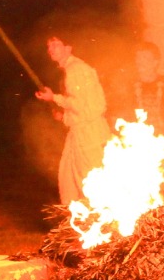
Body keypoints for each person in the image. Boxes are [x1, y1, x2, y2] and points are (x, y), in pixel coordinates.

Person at [36, 36, 111, 206]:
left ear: (68, 48)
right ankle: (76, 222)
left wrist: (53, 97)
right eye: (49, 46)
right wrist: (64, 116)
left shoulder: (75, 69)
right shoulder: (73, 69)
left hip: (89, 134)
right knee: (69, 178)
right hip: (80, 131)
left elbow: (79, 104)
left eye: (55, 45)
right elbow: (82, 107)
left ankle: (101, 222)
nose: (51, 50)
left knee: (89, 179)